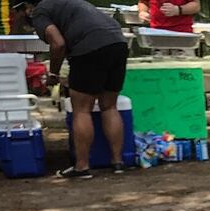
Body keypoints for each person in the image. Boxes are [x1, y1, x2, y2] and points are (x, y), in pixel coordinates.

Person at [16, 0, 128, 178]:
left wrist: (53, 74)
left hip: (90, 47)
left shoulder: (40, 11)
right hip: (118, 43)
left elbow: (58, 43)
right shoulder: (69, 4)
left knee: (82, 110)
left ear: (27, 9)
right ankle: (118, 162)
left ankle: (82, 166)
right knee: (109, 106)